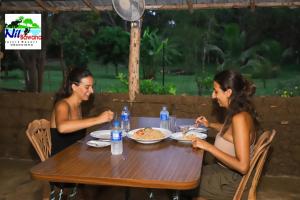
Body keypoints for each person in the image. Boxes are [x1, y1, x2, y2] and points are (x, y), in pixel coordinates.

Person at [191, 70, 260, 200]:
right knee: (188, 174)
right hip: (224, 171)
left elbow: (243, 167)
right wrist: (209, 124)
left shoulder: (239, 118)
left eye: (216, 91)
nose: (213, 96)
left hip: (232, 181)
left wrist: (208, 147)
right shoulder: (239, 112)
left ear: (228, 93)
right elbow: (232, 133)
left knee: (184, 184)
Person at [50, 67, 114, 155]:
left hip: (75, 156)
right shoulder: (62, 105)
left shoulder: (78, 106)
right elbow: (62, 127)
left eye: (92, 87)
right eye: (87, 87)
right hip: (61, 161)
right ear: (74, 87)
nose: (91, 91)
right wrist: (98, 119)